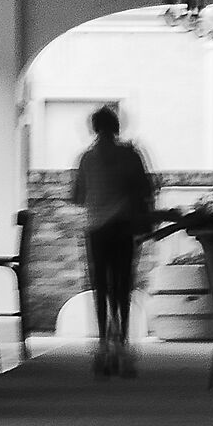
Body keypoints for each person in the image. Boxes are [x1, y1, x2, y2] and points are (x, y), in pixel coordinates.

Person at [70, 105, 155, 378]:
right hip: (124, 226)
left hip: (96, 229)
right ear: (117, 126)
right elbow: (145, 189)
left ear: (94, 127)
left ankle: (103, 343)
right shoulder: (130, 154)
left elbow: (77, 196)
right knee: (122, 286)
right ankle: (123, 343)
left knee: (101, 288)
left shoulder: (86, 158)